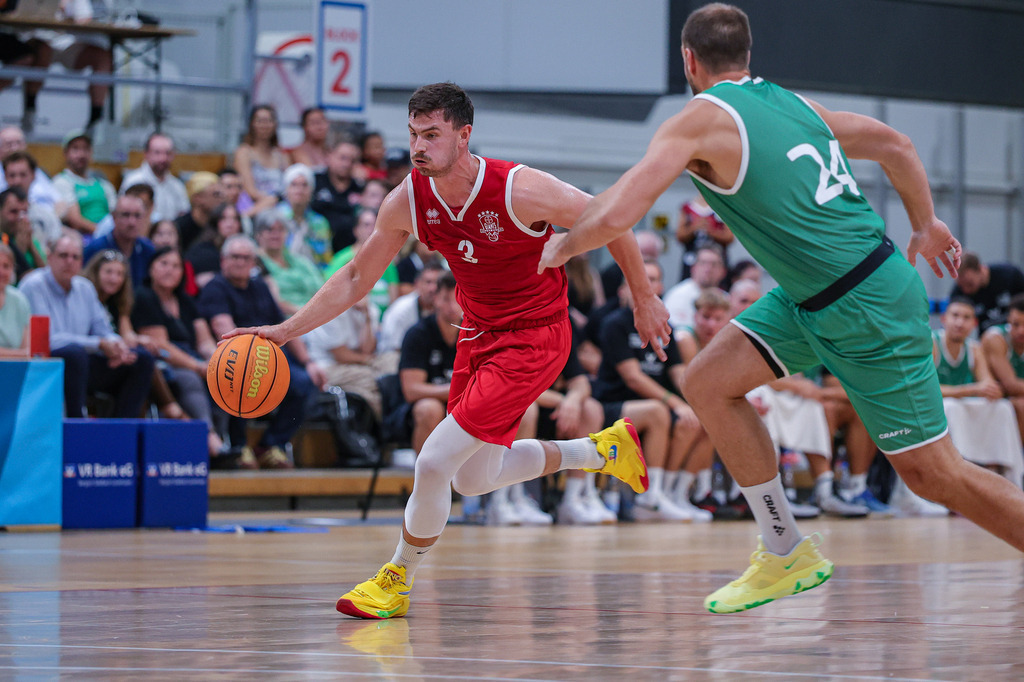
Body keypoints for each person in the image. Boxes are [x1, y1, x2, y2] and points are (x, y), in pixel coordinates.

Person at [539, 3, 1024, 614]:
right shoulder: (792, 105)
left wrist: (554, 249)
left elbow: (615, 213)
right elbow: (896, 143)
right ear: (746, 57)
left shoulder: (698, 121)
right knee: (709, 381)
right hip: (812, 297)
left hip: (864, 302)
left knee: (935, 475)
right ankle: (784, 548)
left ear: (688, 60)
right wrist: (924, 224)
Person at [224, 82, 669, 620]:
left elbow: (610, 217)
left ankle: (396, 577)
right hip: (477, 336)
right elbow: (357, 276)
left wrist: (644, 299)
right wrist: (285, 331)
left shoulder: (518, 187)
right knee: (472, 477)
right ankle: (600, 451)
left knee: (433, 462)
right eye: (413, 134)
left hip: (534, 337)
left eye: (431, 135)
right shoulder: (409, 199)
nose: (418, 147)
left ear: (464, 136)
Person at [594, 261, 712, 522]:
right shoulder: (615, 323)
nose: (648, 284)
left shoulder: (661, 323)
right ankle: (649, 497)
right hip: (614, 403)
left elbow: (679, 373)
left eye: (654, 279)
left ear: (660, 287)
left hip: (653, 405)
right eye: (642, 278)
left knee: (704, 418)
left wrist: (699, 401)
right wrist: (673, 402)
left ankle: (670, 494)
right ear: (625, 287)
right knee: (659, 412)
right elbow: (634, 378)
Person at [197, 234, 324, 469]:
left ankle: (270, 445)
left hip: (270, 355)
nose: (240, 262)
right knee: (238, 379)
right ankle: (239, 446)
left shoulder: (260, 287)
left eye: (246, 258)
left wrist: (308, 362)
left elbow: (284, 327)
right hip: (233, 354)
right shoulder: (215, 288)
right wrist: (249, 355)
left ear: (254, 263)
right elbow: (224, 329)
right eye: (235, 256)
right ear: (223, 260)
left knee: (306, 382)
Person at [20, 233, 154, 418]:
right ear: (50, 258)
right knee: (75, 353)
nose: (69, 261)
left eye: (75, 257)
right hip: (47, 363)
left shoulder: (85, 288)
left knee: (141, 359)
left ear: (82, 261)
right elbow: (45, 339)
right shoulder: (34, 285)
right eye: (63, 255)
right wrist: (98, 344)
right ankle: (77, 423)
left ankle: (122, 430)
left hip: (83, 362)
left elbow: (104, 329)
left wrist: (118, 347)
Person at [132, 246, 225, 457]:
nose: (170, 270)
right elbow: (162, 346)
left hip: (192, 358)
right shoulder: (144, 296)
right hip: (164, 361)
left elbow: (204, 341)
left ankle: (226, 438)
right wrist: (197, 366)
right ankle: (209, 438)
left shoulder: (186, 300)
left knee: (226, 379)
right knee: (190, 378)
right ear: (151, 268)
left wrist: (216, 360)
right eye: (164, 264)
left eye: (176, 266)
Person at [932, 297, 1022, 487]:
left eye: (966, 318)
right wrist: (972, 389)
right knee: (951, 408)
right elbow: (929, 391)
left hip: (961, 404)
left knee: (1002, 407)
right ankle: (959, 477)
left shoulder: (974, 348)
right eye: (955, 316)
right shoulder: (932, 344)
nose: (959, 322)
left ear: (974, 324)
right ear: (944, 319)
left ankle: (1004, 475)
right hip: (935, 408)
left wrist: (992, 390)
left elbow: (989, 385)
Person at [325, 208, 398, 314]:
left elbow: (393, 302)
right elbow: (329, 294)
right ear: (356, 230)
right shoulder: (341, 259)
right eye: (366, 225)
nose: (371, 229)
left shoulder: (388, 262)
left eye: (375, 225)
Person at [252, 209, 324, 316]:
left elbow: (322, 290)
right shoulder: (254, 262)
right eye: (270, 230)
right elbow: (273, 301)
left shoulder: (300, 261)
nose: (275, 234)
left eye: (281, 229)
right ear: (258, 234)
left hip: (315, 315)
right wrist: (306, 315)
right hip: (285, 320)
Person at [377, 261, 443, 372]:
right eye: (428, 282)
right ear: (417, 284)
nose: (433, 288)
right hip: (396, 357)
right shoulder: (401, 309)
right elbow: (395, 348)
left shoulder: (450, 308)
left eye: (437, 283)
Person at [52, 129, 116, 240]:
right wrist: (106, 234)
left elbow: (116, 214)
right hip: (83, 239)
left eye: (85, 149)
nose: (81, 154)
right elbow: (75, 221)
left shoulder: (103, 184)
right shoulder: (61, 182)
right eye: (75, 149)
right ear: (66, 154)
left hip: (109, 234)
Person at [83, 194, 155, 288]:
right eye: (126, 215)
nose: (132, 222)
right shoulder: (95, 249)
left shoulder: (149, 250)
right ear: (114, 217)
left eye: (137, 216)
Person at [982, 294, 1024, 452]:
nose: (1021, 330)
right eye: (1015, 324)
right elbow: (1011, 386)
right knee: (1021, 405)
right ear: (1008, 321)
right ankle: (1014, 467)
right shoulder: (995, 338)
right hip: (989, 399)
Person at [233, 105, 289, 217]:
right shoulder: (244, 152)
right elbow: (250, 190)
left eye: (268, 121)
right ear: (252, 124)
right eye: (260, 121)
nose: (264, 125)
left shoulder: (281, 155)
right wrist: (272, 200)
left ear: (275, 124)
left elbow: (289, 185)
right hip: (253, 205)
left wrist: (277, 200)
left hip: (281, 206)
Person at [950, 252, 1024, 334]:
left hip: (1016, 332)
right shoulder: (958, 292)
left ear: (981, 269)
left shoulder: (1010, 275)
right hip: (985, 338)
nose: (966, 290)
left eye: (970, 284)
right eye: (961, 285)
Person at [120, 133, 189, 221]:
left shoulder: (177, 186)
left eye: (167, 153)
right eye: (157, 153)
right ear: (146, 154)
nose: (163, 158)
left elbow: (183, 215)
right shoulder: (133, 181)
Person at [311, 139, 364, 252]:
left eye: (352, 160)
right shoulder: (314, 181)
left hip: (349, 251)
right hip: (316, 246)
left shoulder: (360, 188)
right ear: (330, 156)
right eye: (342, 158)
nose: (347, 164)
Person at [278, 163, 332, 269]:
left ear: (311, 191)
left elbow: (325, 258)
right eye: (294, 184)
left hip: (314, 277)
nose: (300, 190)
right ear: (286, 190)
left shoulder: (320, 222)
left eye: (304, 185)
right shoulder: (276, 217)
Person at [2, 151, 62, 248]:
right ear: (4, 177)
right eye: (12, 175)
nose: (17, 181)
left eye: (23, 175)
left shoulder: (46, 215)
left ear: (33, 176)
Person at [663, 243, 726, 331]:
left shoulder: (726, 298)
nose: (708, 269)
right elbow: (678, 333)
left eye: (714, 264)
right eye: (703, 263)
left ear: (723, 271)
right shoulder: (678, 295)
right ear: (693, 268)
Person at [185, 202, 242, 291]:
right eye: (224, 218)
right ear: (215, 222)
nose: (230, 224)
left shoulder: (247, 251)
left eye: (235, 219)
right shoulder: (202, 251)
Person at [676, 194, 734, 281]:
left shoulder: (722, 207)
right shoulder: (687, 208)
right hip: (692, 258)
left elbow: (729, 237)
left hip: (717, 258)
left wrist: (710, 231)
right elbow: (679, 235)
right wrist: (695, 227)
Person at [0, 186, 45, 281]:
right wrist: (19, 251)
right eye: (13, 212)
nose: (20, 218)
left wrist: (31, 247)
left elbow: (47, 278)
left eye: (24, 212)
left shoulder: (29, 238)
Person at [174, 171, 222, 252]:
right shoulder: (179, 227)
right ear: (197, 198)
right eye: (215, 194)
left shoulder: (219, 224)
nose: (220, 199)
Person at [0, 243, 30, 356]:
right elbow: (24, 353)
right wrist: (19, 354)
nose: (1, 272)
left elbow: (27, 349)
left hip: (16, 369)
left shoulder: (20, 300)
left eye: (6, 266)